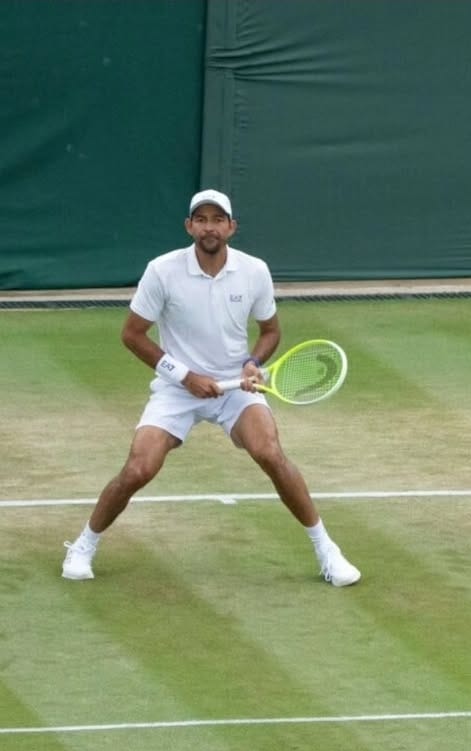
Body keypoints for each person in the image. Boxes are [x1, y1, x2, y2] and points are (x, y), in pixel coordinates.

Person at [61, 189, 360, 587]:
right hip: (177, 389)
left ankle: (327, 550)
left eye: (218, 220)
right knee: (139, 468)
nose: (209, 227)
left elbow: (270, 331)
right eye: (201, 219)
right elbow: (132, 335)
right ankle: (84, 544)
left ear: (231, 227)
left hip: (235, 386)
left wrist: (253, 363)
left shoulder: (255, 271)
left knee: (270, 452)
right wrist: (184, 376)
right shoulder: (162, 271)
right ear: (189, 226)